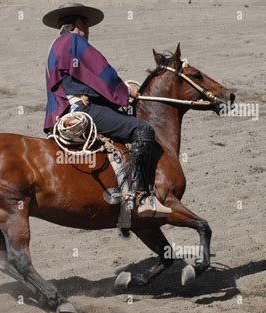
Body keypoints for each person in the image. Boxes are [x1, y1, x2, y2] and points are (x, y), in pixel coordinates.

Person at [43, 3, 172, 217]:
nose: (88, 31)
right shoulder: (74, 41)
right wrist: (125, 90)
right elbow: (100, 72)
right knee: (143, 131)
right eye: (86, 25)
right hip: (82, 109)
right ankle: (141, 196)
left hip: (62, 110)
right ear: (78, 23)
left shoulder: (56, 46)